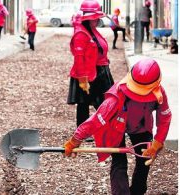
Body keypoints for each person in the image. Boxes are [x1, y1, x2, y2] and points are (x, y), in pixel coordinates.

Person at [64, 58, 172, 195]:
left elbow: (165, 117)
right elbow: (95, 121)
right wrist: (75, 140)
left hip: (141, 126)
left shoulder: (159, 93)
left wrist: (158, 142)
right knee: (119, 161)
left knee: (144, 159)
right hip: (116, 126)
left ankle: (137, 191)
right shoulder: (117, 96)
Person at [67, 0, 114, 131]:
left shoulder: (92, 30)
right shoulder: (81, 34)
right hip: (89, 74)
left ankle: (106, 127)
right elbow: (79, 58)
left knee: (104, 102)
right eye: (95, 18)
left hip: (100, 71)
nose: (97, 20)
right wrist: (82, 79)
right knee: (85, 103)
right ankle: (84, 130)